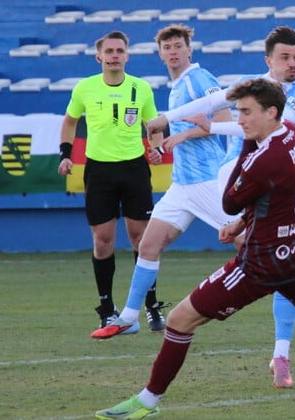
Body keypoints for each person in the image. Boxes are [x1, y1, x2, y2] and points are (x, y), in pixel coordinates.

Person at [95, 78, 295, 420]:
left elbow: (230, 201)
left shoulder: (263, 156)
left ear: (271, 112)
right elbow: (271, 200)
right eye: (238, 112)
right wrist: (240, 225)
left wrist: (246, 149)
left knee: (179, 320)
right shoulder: (293, 134)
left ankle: (147, 401)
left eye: (246, 113)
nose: (240, 120)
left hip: (262, 263)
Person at [146, 26, 295, 389]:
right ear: (268, 61)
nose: (293, 65)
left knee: (277, 263)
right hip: (242, 177)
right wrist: (168, 118)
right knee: (284, 268)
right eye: (285, 58)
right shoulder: (252, 88)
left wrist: (214, 128)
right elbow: (214, 104)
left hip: (275, 185)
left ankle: (280, 354)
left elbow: (273, 129)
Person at [91, 25, 234, 339]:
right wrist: (160, 148)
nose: (172, 51)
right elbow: (179, 130)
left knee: (252, 247)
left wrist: (180, 135)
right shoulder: (177, 86)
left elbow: (223, 122)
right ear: (160, 54)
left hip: (207, 180)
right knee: (148, 245)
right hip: (182, 185)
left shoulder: (200, 78)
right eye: (167, 47)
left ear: (188, 50)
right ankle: (129, 316)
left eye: (177, 46)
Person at [57, 31, 164, 330]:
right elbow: (70, 121)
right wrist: (65, 154)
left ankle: (151, 305)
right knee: (102, 241)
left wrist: (156, 148)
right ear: (99, 57)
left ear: (127, 56)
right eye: (110, 51)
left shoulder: (141, 88)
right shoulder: (85, 88)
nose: (115, 55)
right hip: (99, 171)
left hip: (134, 170)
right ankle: (107, 307)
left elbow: (152, 124)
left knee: (142, 240)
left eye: (120, 51)